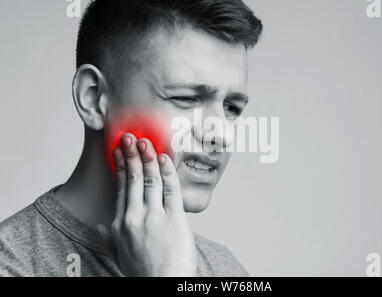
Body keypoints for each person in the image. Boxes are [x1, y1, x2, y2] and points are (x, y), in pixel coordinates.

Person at [0, 0, 262, 277]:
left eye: (232, 108)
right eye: (186, 98)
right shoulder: (11, 264)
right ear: (93, 98)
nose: (221, 134)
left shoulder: (225, 268)